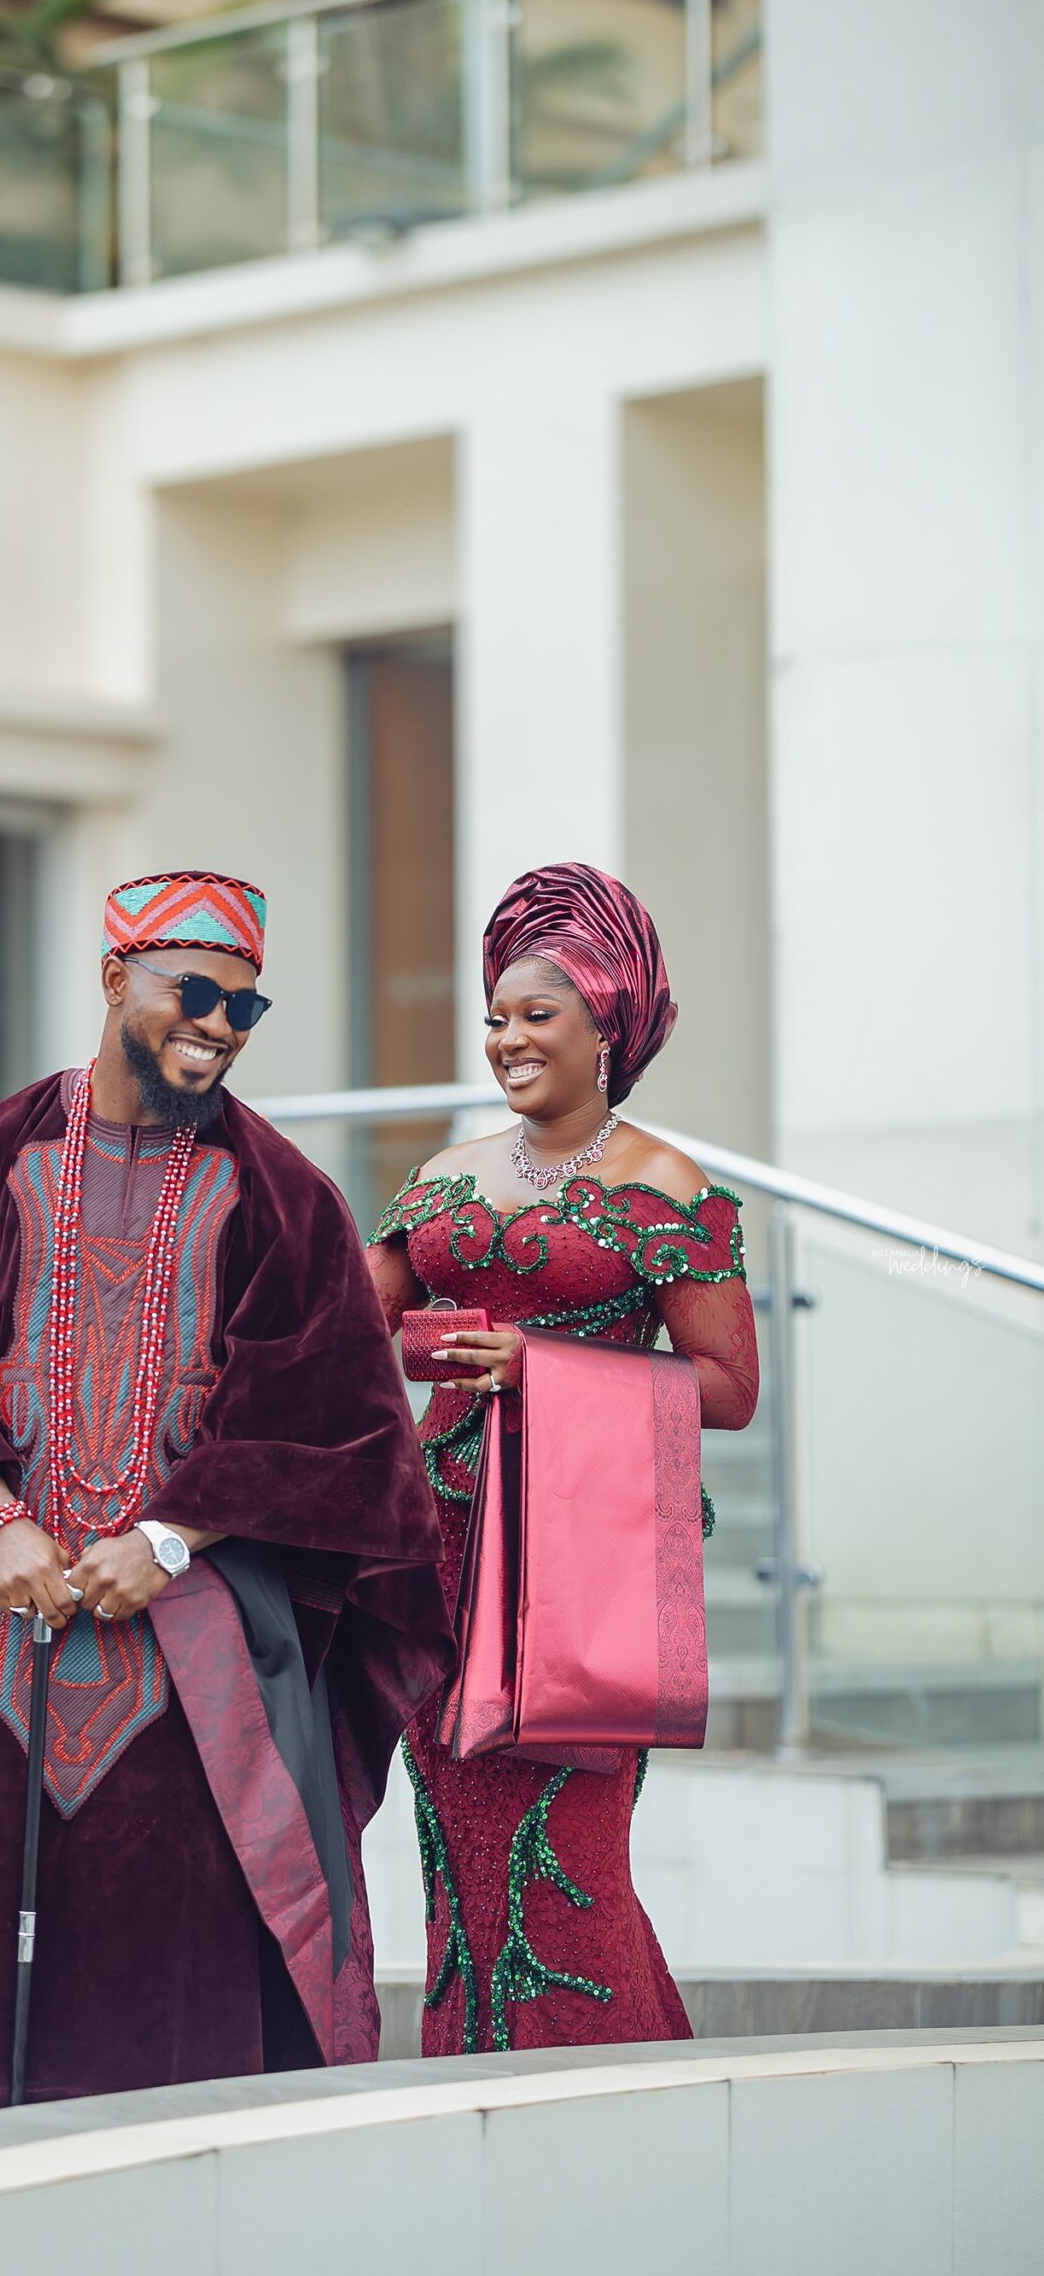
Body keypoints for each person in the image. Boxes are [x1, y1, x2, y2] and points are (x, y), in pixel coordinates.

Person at [0, 868, 451, 2135]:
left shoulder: (290, 1199)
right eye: (193, 991)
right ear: (112, 977)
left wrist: (173, 1538)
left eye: (244, 1007)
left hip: (190, 1663)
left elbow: (340, 1424)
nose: (218, 1025)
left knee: (183, 1966)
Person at [366, 861, 760, 2053]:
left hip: (586, 1563)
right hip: (439, 1552)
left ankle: (608, 2109)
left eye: (536, 1014)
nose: (506, 1040)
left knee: (569, 1858)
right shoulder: (446, 1173)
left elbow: (730, 1388)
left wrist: (536, 1365)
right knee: (458, 1853)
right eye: (495, 1016)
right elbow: (347, 1327)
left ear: (608, 1023)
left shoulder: (668, 1184)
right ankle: (474, 2094)